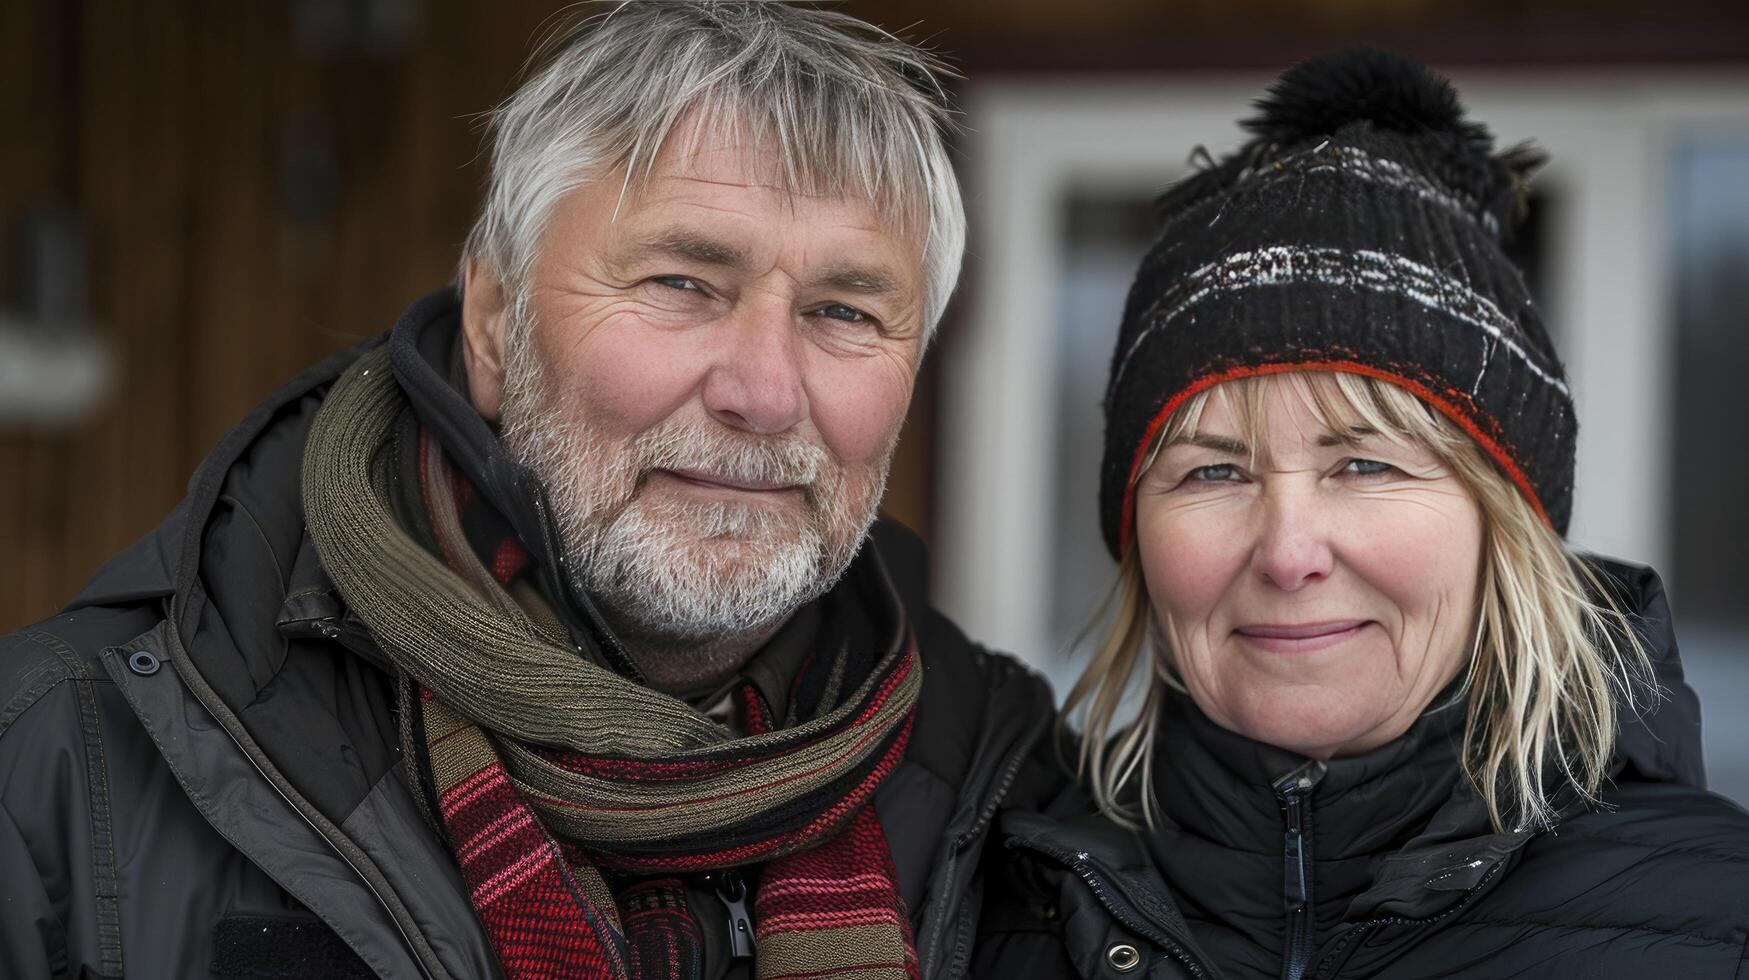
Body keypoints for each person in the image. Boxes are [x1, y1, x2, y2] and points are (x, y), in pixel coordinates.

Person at [0, 5, 1060, 978]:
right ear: (496, 321)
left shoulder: (1014, 797)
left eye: (844, 312)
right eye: (683, 284)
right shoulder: (62, 761)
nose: (766, 391)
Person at [973, 49, 1749, 979]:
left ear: (1503, 525)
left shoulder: (1715, 918)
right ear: (1133, 535)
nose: (1288, 552)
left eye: (1365, 463)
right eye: (1213, 474)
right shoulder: (991, 909)